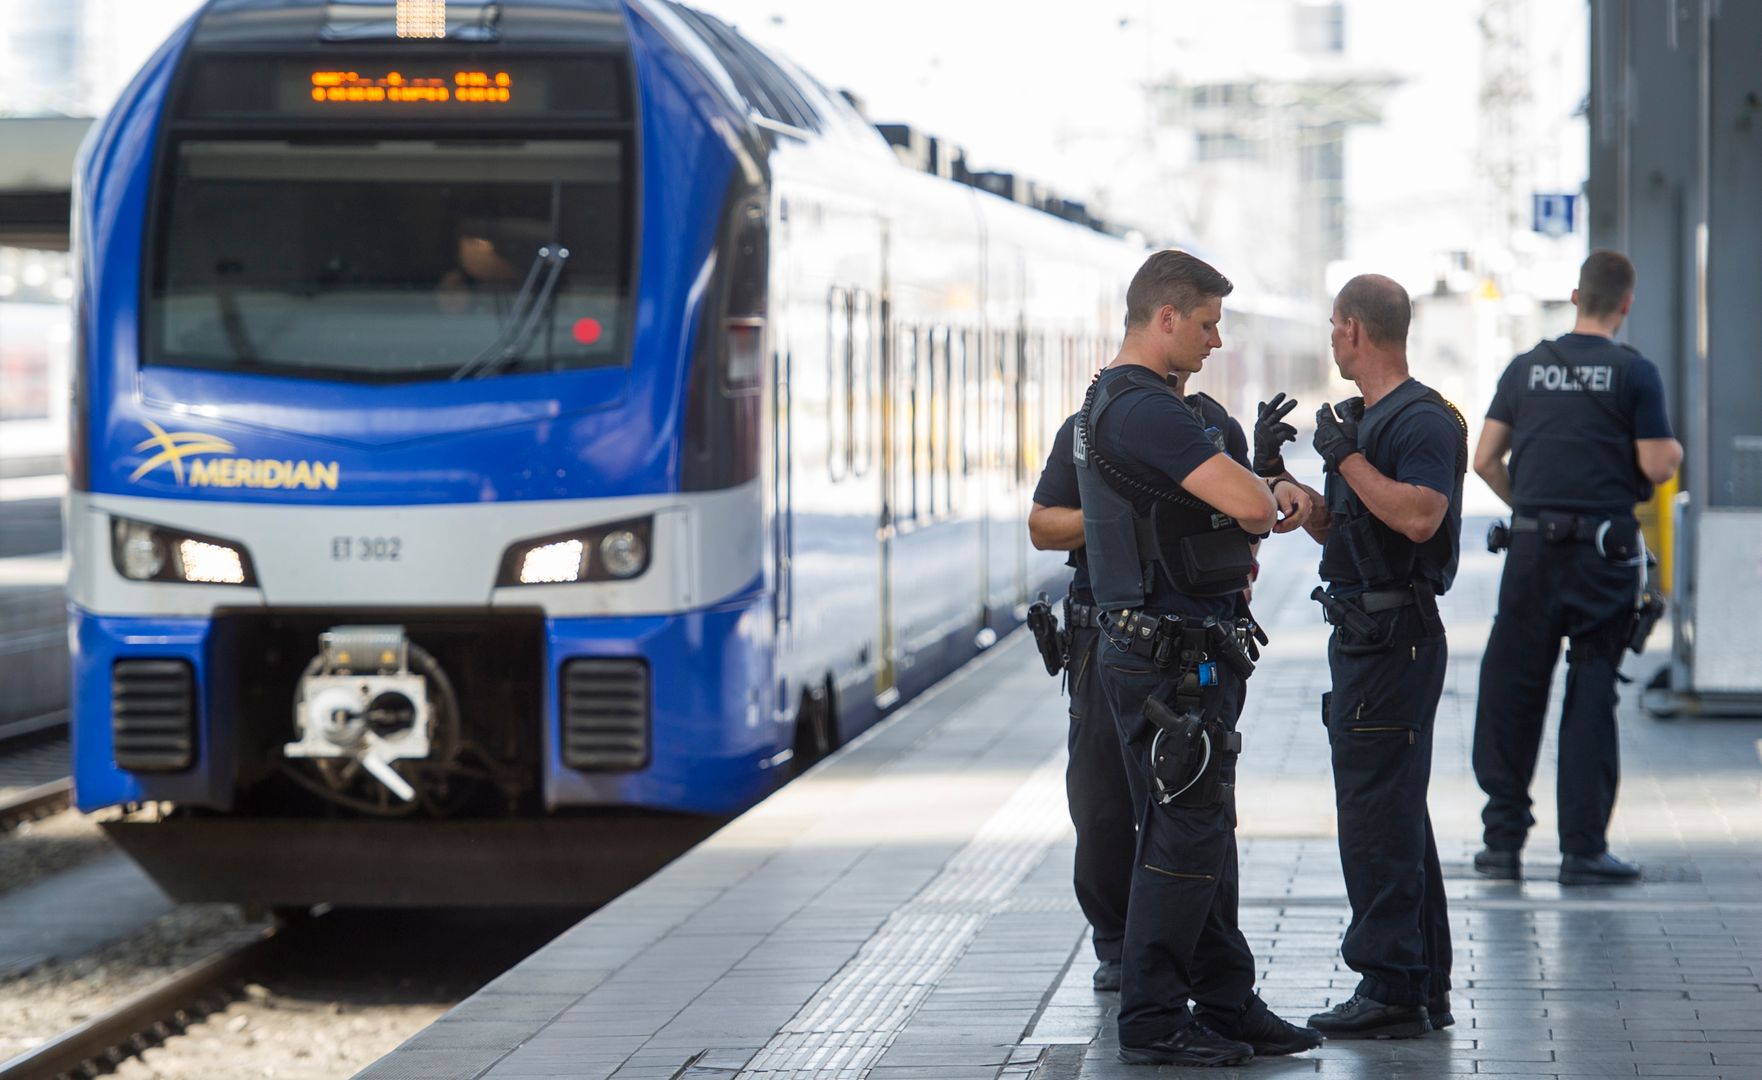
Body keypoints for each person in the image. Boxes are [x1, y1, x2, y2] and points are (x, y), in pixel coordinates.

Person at [1076, 250, 1318, 1067]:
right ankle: (1151, 1019)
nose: (1217, 342)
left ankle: (1223, 999)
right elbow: (1250, 506)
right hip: (1166, 661)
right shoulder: (1144, 409)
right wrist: (1258, 493)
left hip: (1178, 652)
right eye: (1209, 324)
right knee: (1182, 834)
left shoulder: (1120, 403)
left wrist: (1255, 485)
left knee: (1202, 828)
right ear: (1166, 317)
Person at [1274, 274, 1463, 1039]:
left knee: (1375, 816)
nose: (1329, 338)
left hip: (1394, 641)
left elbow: (1418, 518)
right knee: (1395, 811)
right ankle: (1423, 982)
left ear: (1354, 330)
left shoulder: (1420, 420)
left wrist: (1346, 458)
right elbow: (1353, 534)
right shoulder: (1365, 422)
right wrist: (1288, 483)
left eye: (1332, 325)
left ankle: (1390, 988)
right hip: (1367, 631)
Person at [1029, 369, 1260, 996]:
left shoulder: (1215, 426)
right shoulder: (1091, 430)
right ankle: (1116, 943)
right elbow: (1043, 524)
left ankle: (1193, 958)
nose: (1215, 341)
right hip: (1102, 630)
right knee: (1101, 801)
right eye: (1205, 323)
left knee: (1194, 803)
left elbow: (1250, 520)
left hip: (1191, 636)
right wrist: (1124, 517)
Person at [1470, 250, 1683, 885]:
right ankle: (1582, 850)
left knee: (1512, 690)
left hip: (1531, 552)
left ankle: (1502, 844)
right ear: (1625, 303)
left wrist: (1531, 505)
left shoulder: (1527, 367)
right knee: (1591, 693)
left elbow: (1484, 459)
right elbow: (1656, 465)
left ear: (1573, 296)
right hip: (1602, 557)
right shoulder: (1633, 373)